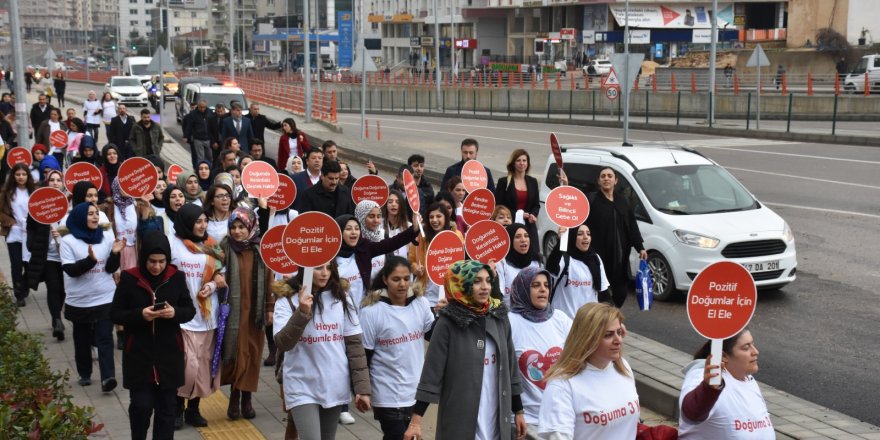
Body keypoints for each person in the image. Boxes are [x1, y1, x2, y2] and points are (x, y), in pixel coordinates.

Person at [405, 260, 527, 440]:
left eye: (487, 280)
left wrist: (518, 410)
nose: (485, 287)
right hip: (460, 420)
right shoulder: (447, 323)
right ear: (462, 284)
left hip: (496, 419)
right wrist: (415, 421)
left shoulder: (499, 316)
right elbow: (432, 374)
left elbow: (511, 367)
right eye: (477, 281)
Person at [111, 231, 196, 440]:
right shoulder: (130, 278)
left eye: (162, 261)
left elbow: (189, 310)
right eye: (152, 261)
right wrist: (141, 314)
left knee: (167, 411)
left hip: (169, 358)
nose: (157, 267)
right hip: (139, 357)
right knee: (141, 407)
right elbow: (115, 313)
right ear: (143, 258)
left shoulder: (176, 277)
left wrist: (174, 312)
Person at [273, 262, 372, 440]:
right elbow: (282, 343)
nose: (325, 273)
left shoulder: (341, 298)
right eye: (318, 268)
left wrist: (362, 389)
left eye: (329, 267)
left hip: (334, 383)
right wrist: (302, 312)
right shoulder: (287, 299)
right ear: (306, 269)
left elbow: (355, 347)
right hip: (301, 384)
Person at [538, 303, 640, 439]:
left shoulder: (623, 367)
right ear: (588, 338)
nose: (618, 340)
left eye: (619, 332)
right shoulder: (562, 384)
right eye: (608, 335)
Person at [360, 257, 435, 440]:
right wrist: (362, 390)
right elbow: (364, 356)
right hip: (387, 391)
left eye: (406, 278)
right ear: (385, 279)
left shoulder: (421, 303)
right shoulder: (371, 312)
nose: (402, 284)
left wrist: (445, 316)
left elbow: (433, 335)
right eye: (396, 279)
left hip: (415, 389)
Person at [170, 204, 226, 429]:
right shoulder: (172, 244)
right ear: (186, 222)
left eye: (205, 221)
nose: (203, 225)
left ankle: (193, 409)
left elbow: (220, 274)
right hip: (183, 315)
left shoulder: (212, 245)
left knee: (203, 366)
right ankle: (176, 407)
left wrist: (212, 285)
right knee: (186, 365)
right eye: (198, 221)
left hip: (207, 315)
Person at [60, 202, 124, 391]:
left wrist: (114, 254)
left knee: (105, 338)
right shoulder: (68, 241)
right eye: (90, 214)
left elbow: (110, 268)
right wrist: (89, 261)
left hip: (105, 297)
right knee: (82, 339)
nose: (96, 217)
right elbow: (70, 270)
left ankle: (108, 377)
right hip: (80, 300)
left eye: (97, 213)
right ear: (80, 217)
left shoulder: (105, 237)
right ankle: (85, 373)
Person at [220, 207, 274, 420]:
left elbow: (269, 281)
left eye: (241, 227)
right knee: (236, 355)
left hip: (255, 314)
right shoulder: (223, 249)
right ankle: (234, 398)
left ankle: (248, 398)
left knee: (252, 355)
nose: (237, 232)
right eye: (233, 227)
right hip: (233, 315)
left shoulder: (260, 250)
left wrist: (269, 308)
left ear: (251, 226)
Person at [508, 266, 573, 434]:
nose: (543, 289)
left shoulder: (560, 319)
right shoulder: (510, 323)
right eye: (536, 285)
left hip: (560, 418)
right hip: (526, 421)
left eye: (546, 285)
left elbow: (583, 351)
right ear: (522, 288)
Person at [678, 329, 773, 439]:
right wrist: (708, 389)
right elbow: (692, 414)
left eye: (753, 344)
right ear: (723, 356)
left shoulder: (748, 379)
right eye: (746, 347)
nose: (755, 351)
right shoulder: (702, 377)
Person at [585, 167, 646, 308]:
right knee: (601, 291)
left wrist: (640, 247)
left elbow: (632, 226)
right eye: (603, 176)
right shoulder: (592, 201)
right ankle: (606, 320)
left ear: (615, 180)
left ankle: (611, 313)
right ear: (599, 181)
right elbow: (578, 218)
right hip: (599, 256)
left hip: (620, 257)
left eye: (609, 176)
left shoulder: (622, 201)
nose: (606, 178)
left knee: (621, 292)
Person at [336, 207, 420, 309]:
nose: (354, 232)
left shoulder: (364, 248)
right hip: (340, 309)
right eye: (348, 229)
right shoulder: (330, 256)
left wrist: (413, 230)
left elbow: (391, 243)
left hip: (362, 308)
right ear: (338, 232)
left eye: (357, 228)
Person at [26, 169, 67, 340]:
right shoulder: (38, 204)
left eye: (59, 180)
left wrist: (63, 233)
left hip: (65, 255)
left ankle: (57, 313)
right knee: (53, 287)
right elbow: (31, 228)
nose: (55, 183)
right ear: (47, 182)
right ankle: (57, 320)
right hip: (48, 256)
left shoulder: (69, 204)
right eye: (52, 180)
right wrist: (34, 244)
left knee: (64, 290)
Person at [545, 224, 610, 317]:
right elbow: (551, 268)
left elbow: (604, 292)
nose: (585, 237)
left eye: (588, 234)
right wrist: (561, 242)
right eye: (580, 234)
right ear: (572, 236)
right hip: (563, 323)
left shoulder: (595, 259)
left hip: (587, 323)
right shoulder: (564, 258)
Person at [408, 201, 462, 307]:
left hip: (448, 296)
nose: (434, 220)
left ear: (446, 218)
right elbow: (411, 260)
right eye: (431, 217)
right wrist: (416, 268)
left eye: (438, 216)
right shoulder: (421, 237)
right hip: (425, 295)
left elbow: (460, 264)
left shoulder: (456, 236)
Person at [0, 164, 35, 306]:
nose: (21, 177)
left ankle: (24, 286)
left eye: (23, 174)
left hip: (31, 234)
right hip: (14, 234)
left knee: (30, 265)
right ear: (13, 176)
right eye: (18, 174)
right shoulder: (7, 192)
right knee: (16, 265)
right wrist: (11, 222)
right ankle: (19, 294)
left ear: (28, 176)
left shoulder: (34, 191)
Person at [495, 149, 540, 242]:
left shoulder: (533, 181)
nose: (522, 163)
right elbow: (498, 206)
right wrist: (518, 215)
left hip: (529, 226)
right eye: (518, 160)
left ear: (528, 163)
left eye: (524, 160)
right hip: (509, 224)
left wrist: (533, 215)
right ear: (513, 163)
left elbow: (536, 205)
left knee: (533, 254)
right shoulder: (504, 182)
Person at [495, 223, 543, 307]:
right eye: (517, 237)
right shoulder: (502, 263)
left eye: (526, 236)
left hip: (532, 316)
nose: (523, 239)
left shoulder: (536, 262)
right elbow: (498, 295)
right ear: (510, 240)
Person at [183, 100, 213, 170]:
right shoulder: (193, 114)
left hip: (208, 138)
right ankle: (200, 169)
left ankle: (209, 169)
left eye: (204, 107)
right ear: (198, 106)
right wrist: (186, 136)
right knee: (200, 157)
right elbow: (189, 126)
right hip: (198, 139)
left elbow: (213, 125)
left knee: (209, 156)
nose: (202, 109)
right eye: (200, 107)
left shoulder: (209, 113)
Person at [382, 190, 411, 260]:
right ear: (386, 205)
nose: (393, 204)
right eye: (390, 202)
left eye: (397, 202)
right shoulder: (379, 225)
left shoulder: (409, 227)